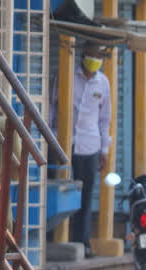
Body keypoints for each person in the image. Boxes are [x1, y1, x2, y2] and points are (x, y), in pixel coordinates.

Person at [49, 42, 112, 258]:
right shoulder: (66, 76)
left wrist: (104, 149)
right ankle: (53, 238)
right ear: (83, 56)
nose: (94, 60)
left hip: (90, 145)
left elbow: (105, 119)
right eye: (91, 56)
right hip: (63, 143)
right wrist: (48, 137)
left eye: (98, 57)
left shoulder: (103, 83)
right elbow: (51, 105)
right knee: (60, 190)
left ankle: (81, 242)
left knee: (85, 196)